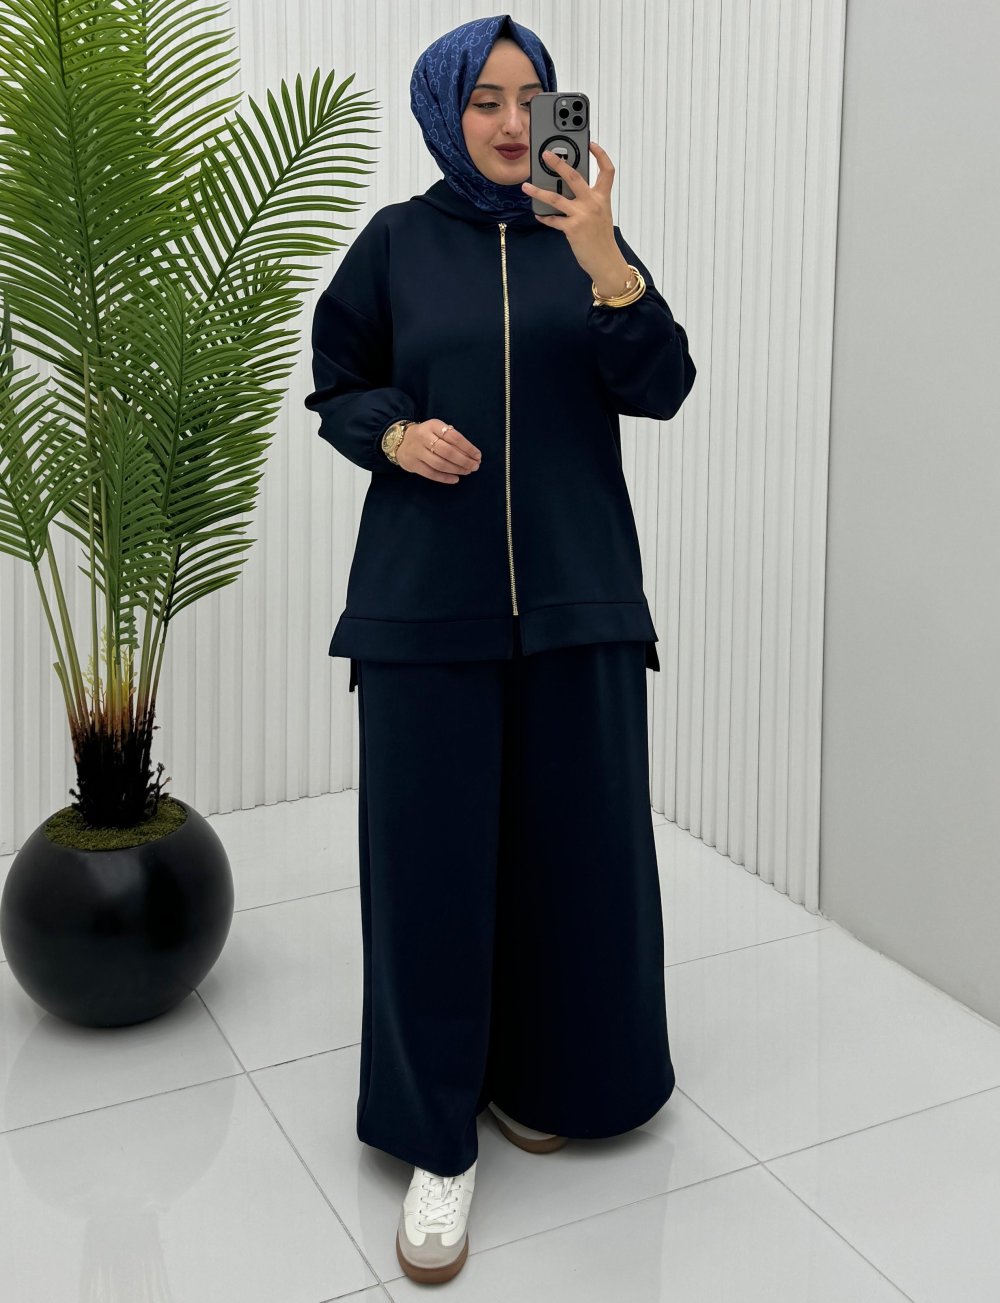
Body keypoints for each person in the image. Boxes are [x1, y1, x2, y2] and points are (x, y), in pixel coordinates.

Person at [304, 13, 696, 1286]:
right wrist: (391, 433)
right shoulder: (397, 241)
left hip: (581, 601)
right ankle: (437, 1142)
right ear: (445, 111)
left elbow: (660, 385)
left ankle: (545, 1077)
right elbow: (336, 381)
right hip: (424, 607)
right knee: (430, 873)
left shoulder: (587, 238)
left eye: (533, 97)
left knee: (573, 860)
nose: (515, 122)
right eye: (486, 99)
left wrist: (605, 259)